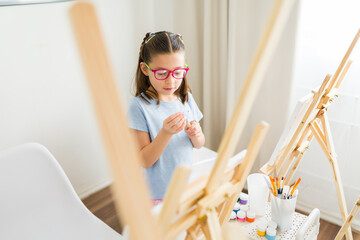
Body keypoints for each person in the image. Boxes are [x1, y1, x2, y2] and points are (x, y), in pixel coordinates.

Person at [128, 31, 205, 203]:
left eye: (177, 72)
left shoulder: (186, 98)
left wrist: (196, 134)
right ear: (145, 69)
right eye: (162, 73)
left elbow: (199, 145)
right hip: (156, 194)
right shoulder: (139, 106)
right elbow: (144, 161)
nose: (171, 82)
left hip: (185, 187)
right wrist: (166, 133)